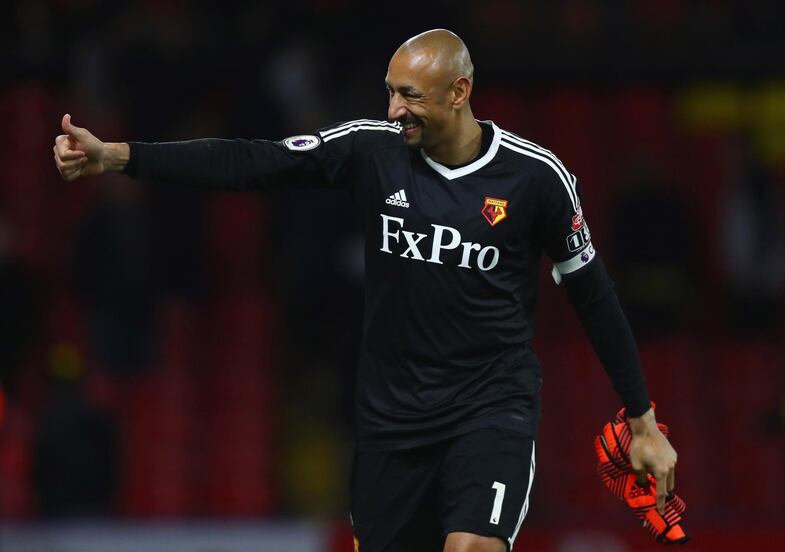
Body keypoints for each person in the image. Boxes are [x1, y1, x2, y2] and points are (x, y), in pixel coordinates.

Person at [54, 29, 677, 552]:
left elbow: (593, 296)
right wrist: (120, 156)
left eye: (409, 96)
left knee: (471, 548)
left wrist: (641, 419)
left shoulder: (537, 178)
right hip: (391, 418)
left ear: (459, 93)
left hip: (491, 405)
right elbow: (252, 162)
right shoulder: (368, 150)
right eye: (389, 92)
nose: (393, 110)